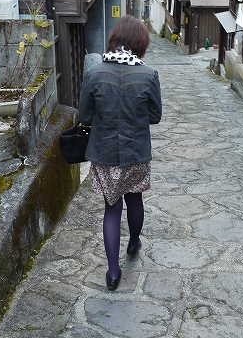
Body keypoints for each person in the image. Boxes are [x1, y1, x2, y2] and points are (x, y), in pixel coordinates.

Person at [78, 15, 162, 291]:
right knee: (135, 199)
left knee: (111, 208)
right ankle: (134, 242)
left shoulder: (94, 73)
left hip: (105, 154)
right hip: (136, 152)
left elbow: (84, 116)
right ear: (141, 44)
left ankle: (113, 272)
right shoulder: (149, 75)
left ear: (114, 39)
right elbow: (155, 116)